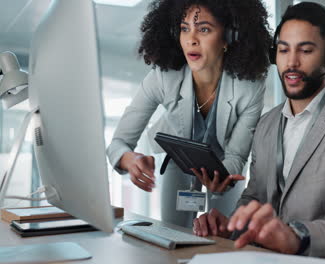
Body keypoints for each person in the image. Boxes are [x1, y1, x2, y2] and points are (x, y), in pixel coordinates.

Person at [192, 2, 325, 261]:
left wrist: (297, 237)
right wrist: (230, 226)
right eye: (283, 50)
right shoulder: (266, 124)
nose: (291, 62)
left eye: (306, 50)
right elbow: (255, 198)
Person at [106, 0, 271, 228]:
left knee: (224, 237)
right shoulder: (164, 77)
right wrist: (130, 159)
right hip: (178, 162)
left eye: (204, 29)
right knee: (174, 235)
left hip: (224, 169)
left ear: (229, 37)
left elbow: (236, 156)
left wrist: (221, 178)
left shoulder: (249, 87)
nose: (191, 39)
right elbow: (118, 143)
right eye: (184, 29)